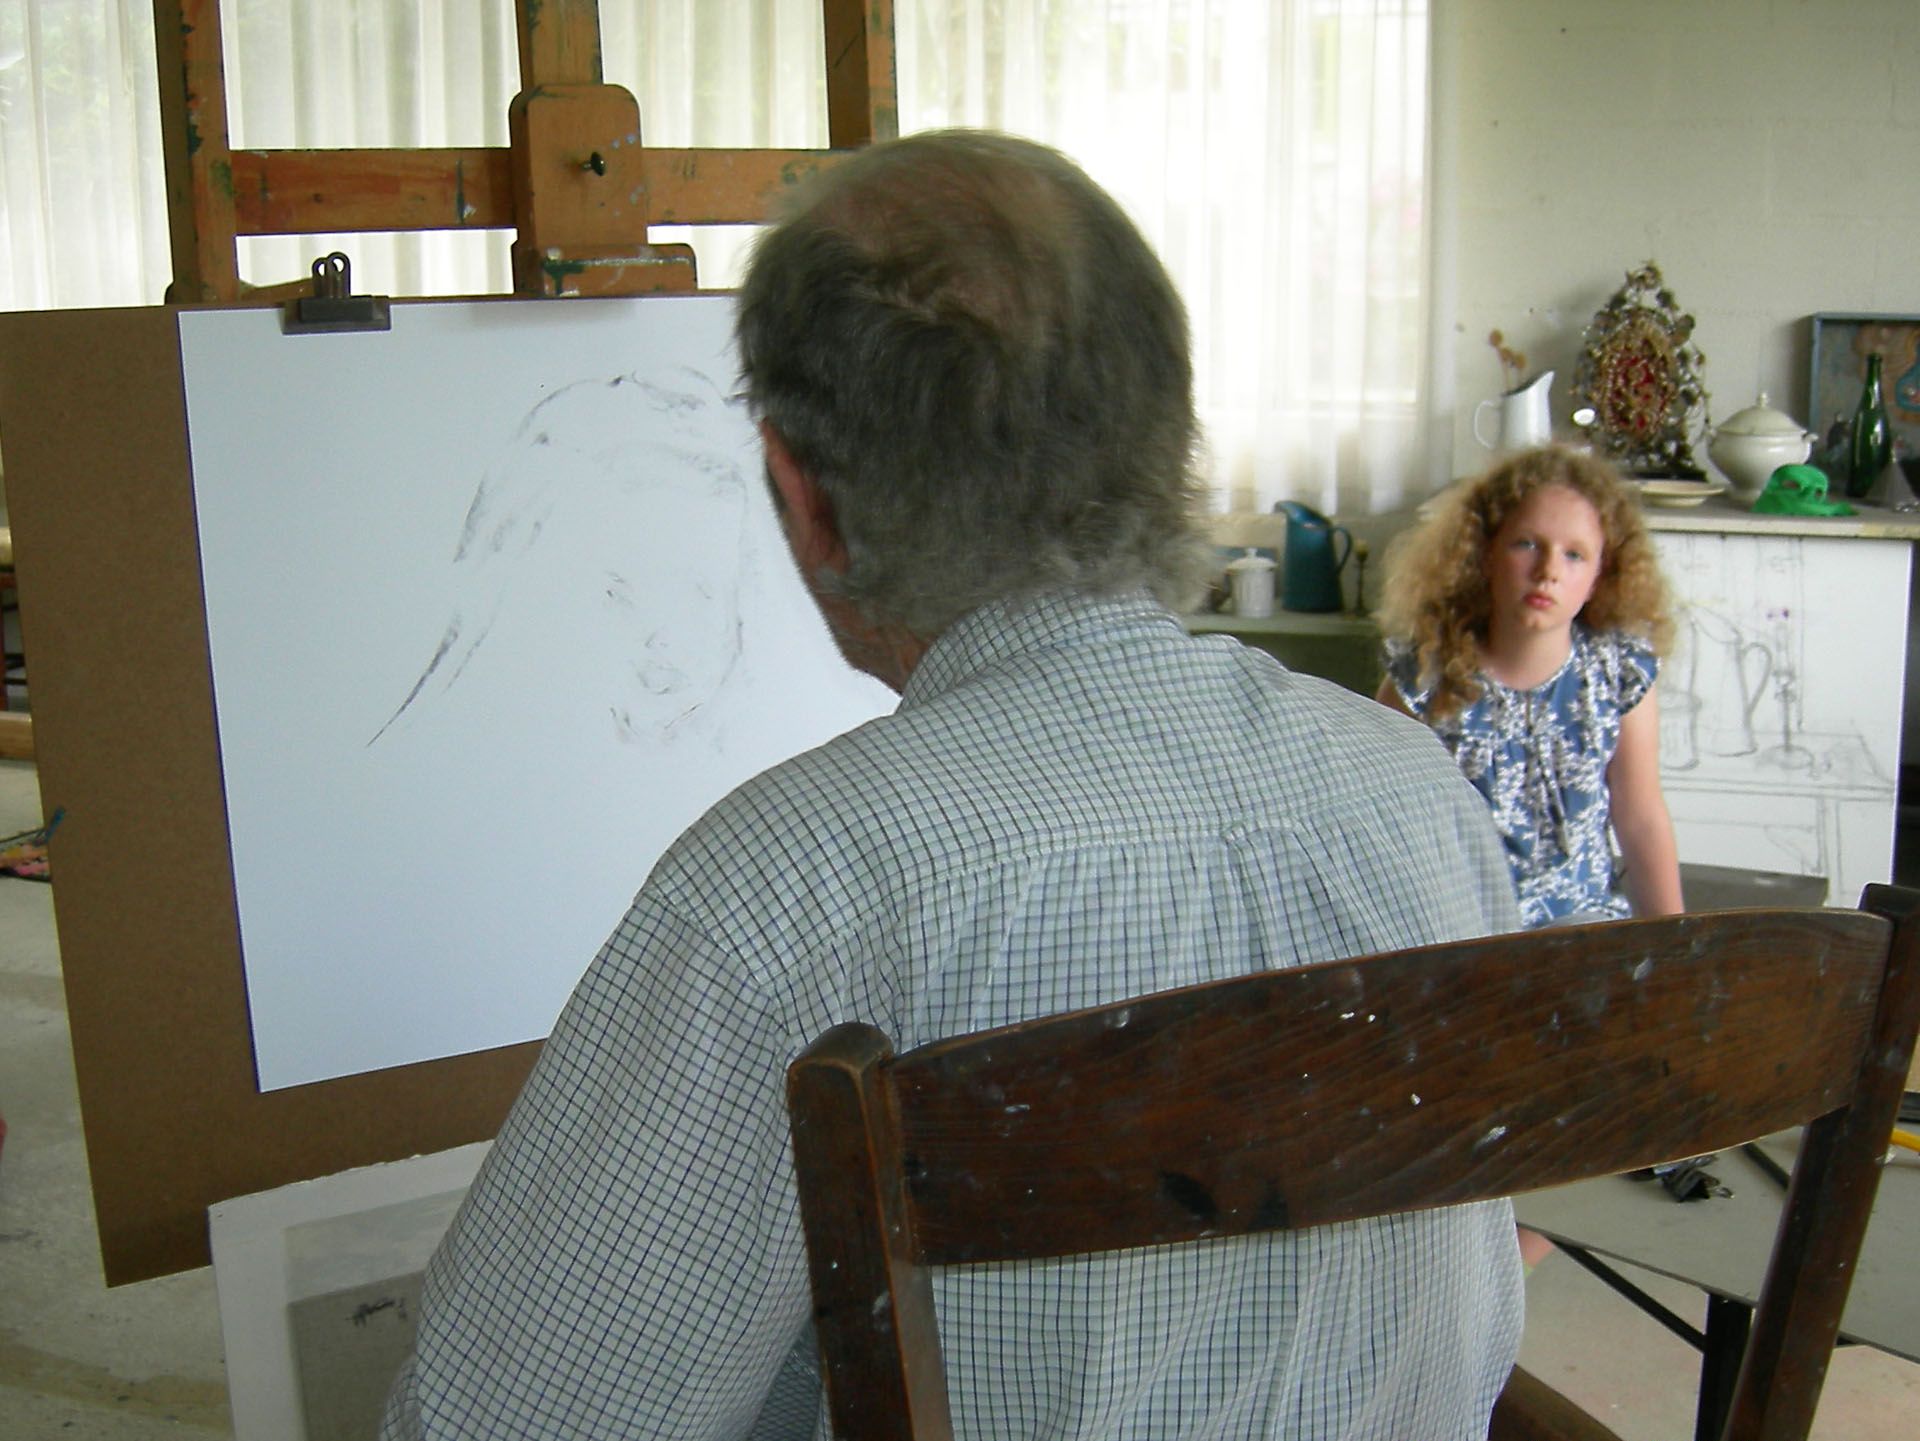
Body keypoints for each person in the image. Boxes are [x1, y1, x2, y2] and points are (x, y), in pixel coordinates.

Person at [381, 129, 1524, 1441]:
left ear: (804, 499)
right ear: (1167, 437)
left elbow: (507, 1425)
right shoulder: (1408, 789)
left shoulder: (791, 887)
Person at [1374, 446, 1683, 929]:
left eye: (1575, 555)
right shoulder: (1424, 678)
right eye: (1527, 545)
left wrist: (1678, 945)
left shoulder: (1618, 675)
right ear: (1485, 553)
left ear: (1602, 574)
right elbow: (1380, 823)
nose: (1548, 571)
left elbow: (1640, 818)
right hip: (1458, 930)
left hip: (1580, 928)